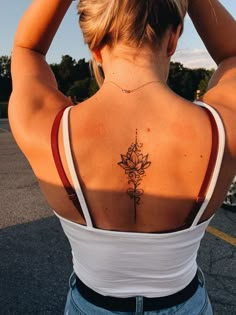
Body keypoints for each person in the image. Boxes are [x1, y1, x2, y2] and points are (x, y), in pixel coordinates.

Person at [9, 0, 236, 314]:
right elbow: (232, 55)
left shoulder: (46, 127)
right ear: (174, 39)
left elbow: (26, 48)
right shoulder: (224, 128)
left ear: (96, 47)